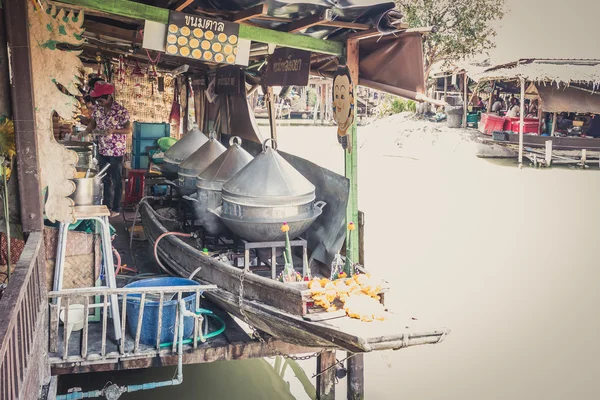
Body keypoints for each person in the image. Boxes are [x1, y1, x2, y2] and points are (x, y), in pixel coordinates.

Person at [83, 82, 131, 217]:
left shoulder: (121, 111)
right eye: (97, 100)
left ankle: (115, 208)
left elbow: (128, 129)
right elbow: (93, 123)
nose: (98, 102)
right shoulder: (97, 109)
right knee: (104, 179)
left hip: (116, 151)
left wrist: (114, 130)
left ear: (109, 97)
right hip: (103, 149)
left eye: (101, 100)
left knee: (116, 179)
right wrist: (85, 132)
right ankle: (106, 206)